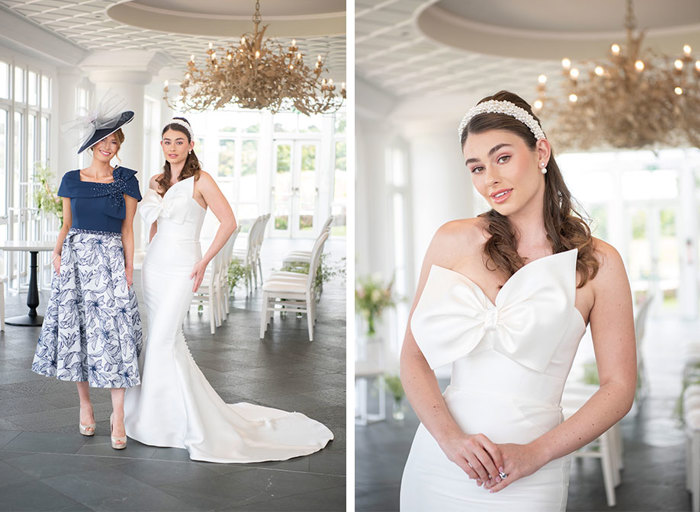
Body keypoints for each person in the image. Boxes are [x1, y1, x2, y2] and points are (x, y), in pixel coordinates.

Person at [399, 91, 637, 511]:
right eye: (476, 167)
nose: (489, 177)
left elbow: (618, 389)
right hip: (440, 462)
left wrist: (537, 453)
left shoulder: (600, 263)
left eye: (502, 157)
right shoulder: (452, 240)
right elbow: (413, 357)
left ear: (541, 150)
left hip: (532, 470)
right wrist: (451, 441)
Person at [124, 117, 333, 463]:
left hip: (184, 265)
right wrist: (150, 251)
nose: (172, 147)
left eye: (179, 141)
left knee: (164, 338)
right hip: (157, 266)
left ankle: (167, 422)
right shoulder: (156, 181)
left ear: (190, 145)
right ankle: (154, 417)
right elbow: (155, 223)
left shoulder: (201, 180)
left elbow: (229, 222)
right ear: (161, 146)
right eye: (166, 141)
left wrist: (204, 260)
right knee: (160, 339)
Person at [32, 107, 142, 451]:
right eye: (102, 141)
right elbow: (66, 225)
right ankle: (85, 405)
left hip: (111, 262)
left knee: (116, 335)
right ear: (92, 144)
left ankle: (119, 414)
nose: (108, 146)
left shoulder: (127, 180)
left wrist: (128, 267)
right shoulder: (71, 179)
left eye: (114, 141)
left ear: (118, 144)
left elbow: (128, 230)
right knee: (78, 331)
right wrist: (57, 251)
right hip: (76, 261)